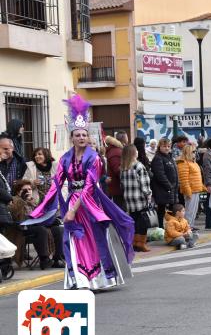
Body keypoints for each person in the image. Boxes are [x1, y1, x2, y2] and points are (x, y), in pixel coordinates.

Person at [29, 95, 135, 289]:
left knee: (94, 240)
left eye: (84, 135)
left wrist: (72, 210)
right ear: (71, 138)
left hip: (90, 203)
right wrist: (42, 209)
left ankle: (98, 278)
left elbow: (88, 186)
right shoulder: (64, 159)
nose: (81, 138)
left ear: (89, 136)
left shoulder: (93, 158)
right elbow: (56, 183)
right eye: (77, 135)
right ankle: (80, 279)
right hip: (72, 202)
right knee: (75, 241)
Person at [8, 180, 64, 269]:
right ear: (18, 191)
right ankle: (44, 259)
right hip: (22, 229)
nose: (28, 191)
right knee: (41, 230)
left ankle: (57, 259)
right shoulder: (14, 199)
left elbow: (43, 215)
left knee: (59, 229)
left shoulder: (34, 201)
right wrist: (22, 200)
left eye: (29, 189)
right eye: (24, 190)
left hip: (37, 226)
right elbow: (13, 214)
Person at [121, 144, 152, 252]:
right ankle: (141, 243)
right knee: (143, 222)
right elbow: (144, 185)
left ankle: (134, 243)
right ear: (134, 153)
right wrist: (149, 196)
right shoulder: (139, 166)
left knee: (134, 221)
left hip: (129, 199)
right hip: (139, 199)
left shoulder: (123, 168)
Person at [150, 138, 179, 229]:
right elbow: (160, 175)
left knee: (171, 210)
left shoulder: (169, 157)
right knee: (161, 209)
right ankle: (161, 228)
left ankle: (171, 228)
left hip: (171, 189)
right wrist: (169, 186)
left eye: (168, 146)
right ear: (159, 147)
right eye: (164, 146)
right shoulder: (158, 158)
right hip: (163, 189)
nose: (167, 148)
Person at [176, 144, 206, 229]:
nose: (195, 153)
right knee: (189, 210)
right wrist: (188, 191)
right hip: (190, 191)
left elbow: (197, 177)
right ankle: (187, 227)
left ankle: (190, 226)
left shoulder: (193, 162)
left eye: (195, 151)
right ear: (188, 152)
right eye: (193, 151)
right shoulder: (183, 163)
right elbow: (184, 180)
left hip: (196, 189)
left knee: (194, 210)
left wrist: (202, 187)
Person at [105, 134, 126, 211]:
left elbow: (118, 170)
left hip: (117, 186)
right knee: (120, 209)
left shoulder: (113, 152)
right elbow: (118, 170)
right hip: (118, 187)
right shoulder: (115, 151)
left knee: (120, 209)